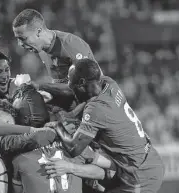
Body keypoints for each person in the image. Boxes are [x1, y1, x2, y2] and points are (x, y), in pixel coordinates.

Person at [46, 58, 165, 193]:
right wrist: (72, 114)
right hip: (147, 159)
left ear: (82, 82)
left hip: (140, 175)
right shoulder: (109, 83)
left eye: (72, 85)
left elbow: (74, 148)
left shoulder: (96, 110)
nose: (71, 88)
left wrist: (57, 126)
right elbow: (89, 102)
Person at [12, 9, 102, 109]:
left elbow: (89, 90)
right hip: (73, 106)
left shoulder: (71, 46)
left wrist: (37, 85)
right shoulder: (42, 49)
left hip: (96, 109)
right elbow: (60, 84)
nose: (19, 44)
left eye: (22, 38)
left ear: (38, 31)